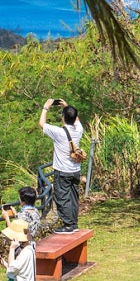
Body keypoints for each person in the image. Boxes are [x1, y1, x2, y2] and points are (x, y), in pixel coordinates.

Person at [40, 98, 84, 234]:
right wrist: (67, 106)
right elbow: (76, 120)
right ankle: (74, 223)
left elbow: (42, 123)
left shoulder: (58, 132)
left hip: (62, 171)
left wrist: (45, 107)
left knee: (62, 196)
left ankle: (68, 225)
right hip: (76, 170)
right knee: (73, 196)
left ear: (63, 117)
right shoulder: (79, 130)